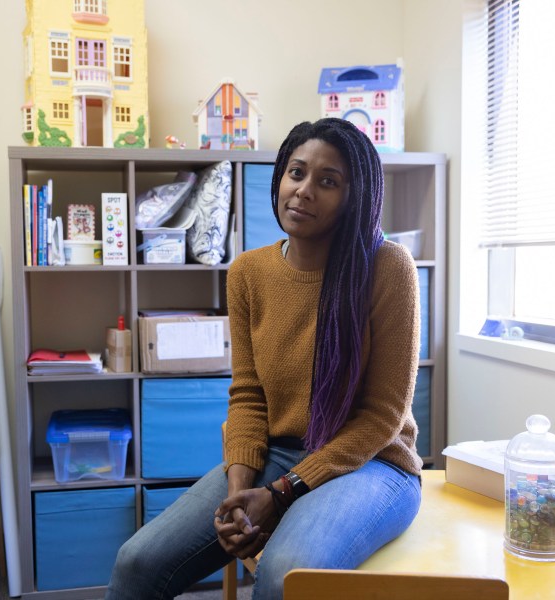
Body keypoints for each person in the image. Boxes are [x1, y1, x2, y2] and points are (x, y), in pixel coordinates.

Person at [107, 117, 423, 600]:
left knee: (283, 576)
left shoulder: (388, 268)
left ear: (354, 197)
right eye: (296, 173)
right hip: (279, 453)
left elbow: (383, 416)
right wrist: (240, 493)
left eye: (328, 181)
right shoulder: (249, 272)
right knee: (136, 563)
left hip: (373, 464)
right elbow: (249, 396)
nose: (304, 191)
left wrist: (280, 494)